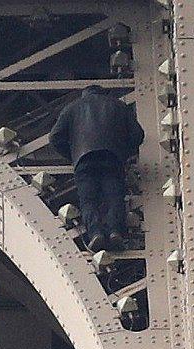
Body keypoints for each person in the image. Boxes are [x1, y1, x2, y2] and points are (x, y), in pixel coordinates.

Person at [49, 85, 144, 252]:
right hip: (112, 158)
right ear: (104, 92)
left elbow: (55, 137)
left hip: (84, 160)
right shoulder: (119, 106)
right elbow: (137, 134)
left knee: (88, 200)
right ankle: (115, 231)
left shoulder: (72, 108)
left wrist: (72, 155)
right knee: (114, 196)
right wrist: (124, 152)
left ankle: (95, 233)